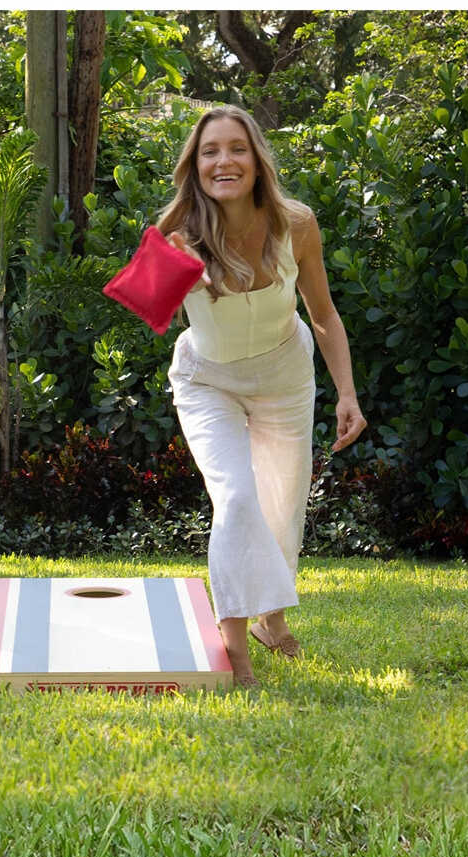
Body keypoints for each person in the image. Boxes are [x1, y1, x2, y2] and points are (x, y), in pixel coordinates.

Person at [156, 105, 367, 688]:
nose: (224, 160)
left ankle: (271, 620)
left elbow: (322, 315)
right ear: (194, 167)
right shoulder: (178, 233)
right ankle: (234, 642)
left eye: (237, 149)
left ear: (257, 161)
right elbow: (148, 308)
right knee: (237, 500)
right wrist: (173, 270)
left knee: (281, 508)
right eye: (209, 151)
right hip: (208, 380)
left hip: (284, 376)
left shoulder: (296, 225)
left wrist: (346, 393)